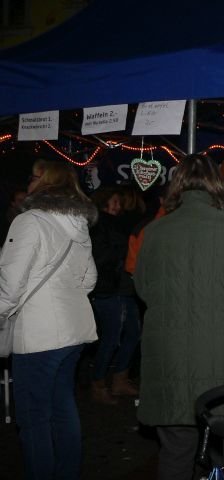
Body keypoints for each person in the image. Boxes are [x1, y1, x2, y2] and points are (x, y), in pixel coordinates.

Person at [133, 153, 224, 480]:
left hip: (169, 360)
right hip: (223, 361)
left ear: (176, 186)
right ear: (216, 185)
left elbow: (143, 289)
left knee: (175, 452)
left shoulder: (155, 232)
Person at [0, 159, 98, 479]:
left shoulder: (29, 221)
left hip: (39, 334)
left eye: (32, 177)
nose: (28, 182)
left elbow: (9, 283)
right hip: (74, 330)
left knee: (33, 418)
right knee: (62, 408)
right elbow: (89, 281)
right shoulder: (78, 224)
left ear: (44, 182)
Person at [89, 186, 141, 405]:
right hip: (107, 289)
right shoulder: (97, 225)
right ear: (103, 203)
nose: (119, 207)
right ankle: (98, 383)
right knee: (111, 337)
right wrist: (121, 250)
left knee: (133, 333)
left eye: (119, 203)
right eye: (115, 203)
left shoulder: (118, 224)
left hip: (123, 288)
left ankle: (120, 379)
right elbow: (98, 258)